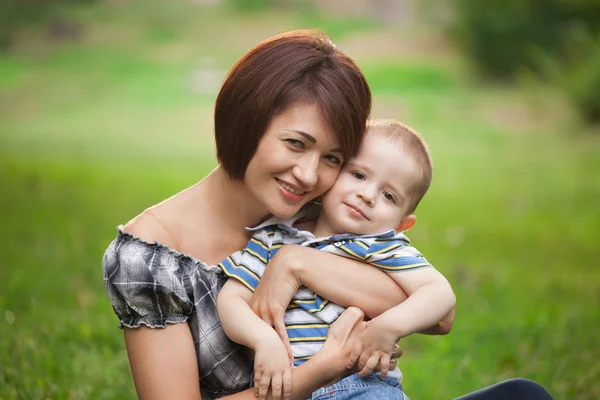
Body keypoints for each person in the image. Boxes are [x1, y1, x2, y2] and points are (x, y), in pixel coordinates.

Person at [102, 29, 551, 400]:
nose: (308, 173)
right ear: (246, 120)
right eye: (295, 143)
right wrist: (321, 370)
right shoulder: (150, 257)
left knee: (525, 396)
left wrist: (297, 263)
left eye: (333, 158)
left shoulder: (318, 213)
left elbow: (439, 314)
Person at [217, 119, 456, 400]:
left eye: (389, 196)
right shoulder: (275, 236)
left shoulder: (382, 247)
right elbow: (231, 300)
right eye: (358, 175)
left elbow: (440, 294)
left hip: (361, 388)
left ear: (403, 224)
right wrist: (262, 339)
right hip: (289, 388)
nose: (367, 195)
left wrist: (388, 326)